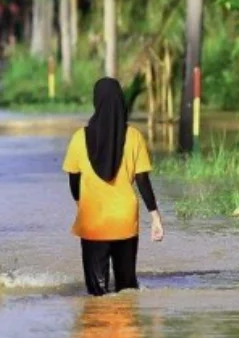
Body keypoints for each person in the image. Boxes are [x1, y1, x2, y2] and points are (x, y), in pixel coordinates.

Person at [62, 77, 165, 297]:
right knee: (126, 287)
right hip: (124, 220)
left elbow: (73, 181)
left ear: (96, 102)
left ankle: (98, 328)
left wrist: (81, 204)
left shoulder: (79, 138)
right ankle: (125, 330)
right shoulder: (134, 137)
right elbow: (143, 180)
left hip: (92, 221)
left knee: (97, 291)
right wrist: (155, 216)